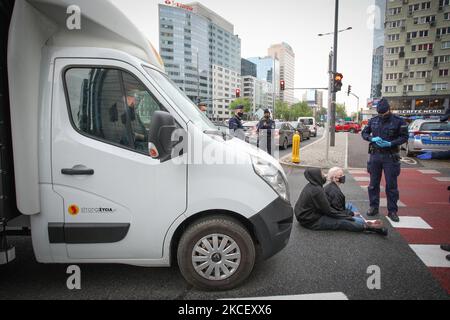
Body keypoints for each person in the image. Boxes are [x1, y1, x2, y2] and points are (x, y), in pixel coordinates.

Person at [294, 168, 388, 236]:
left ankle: (361, 221)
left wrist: (348, 214)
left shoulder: (312, 185)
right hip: (310, 220)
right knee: (341, 222)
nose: (325, 175)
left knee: (348, 207)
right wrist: (349, 216)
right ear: (316, 176)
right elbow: (329, 211)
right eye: (322, 174)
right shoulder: (317, 190)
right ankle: (367, 227)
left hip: (306, 215)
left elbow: (325, 207)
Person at [362, 98, 408, 223]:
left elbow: (404, 137)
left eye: (384, 113)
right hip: (375, 156)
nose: (382, 116)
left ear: (389, 109)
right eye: (380, 113)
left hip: (390, 157)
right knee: (373, 185)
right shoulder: (373, 120)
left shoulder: (399, 121)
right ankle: (373, 207)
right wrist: (372, 138)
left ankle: (392, 211)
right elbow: (364, 133)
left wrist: (391, 143)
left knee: (391, 186)